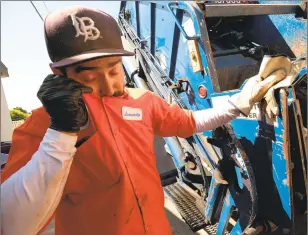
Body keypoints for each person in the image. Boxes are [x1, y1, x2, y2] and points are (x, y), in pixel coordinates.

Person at [1, 6, 290, 235]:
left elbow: (189, 122)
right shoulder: (42, 127)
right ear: (58, 73)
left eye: (114, 70)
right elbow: (13, 225)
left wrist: (237, 103)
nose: (107, 85)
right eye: (88, 76)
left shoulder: (141, 101)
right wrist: (61, 133)